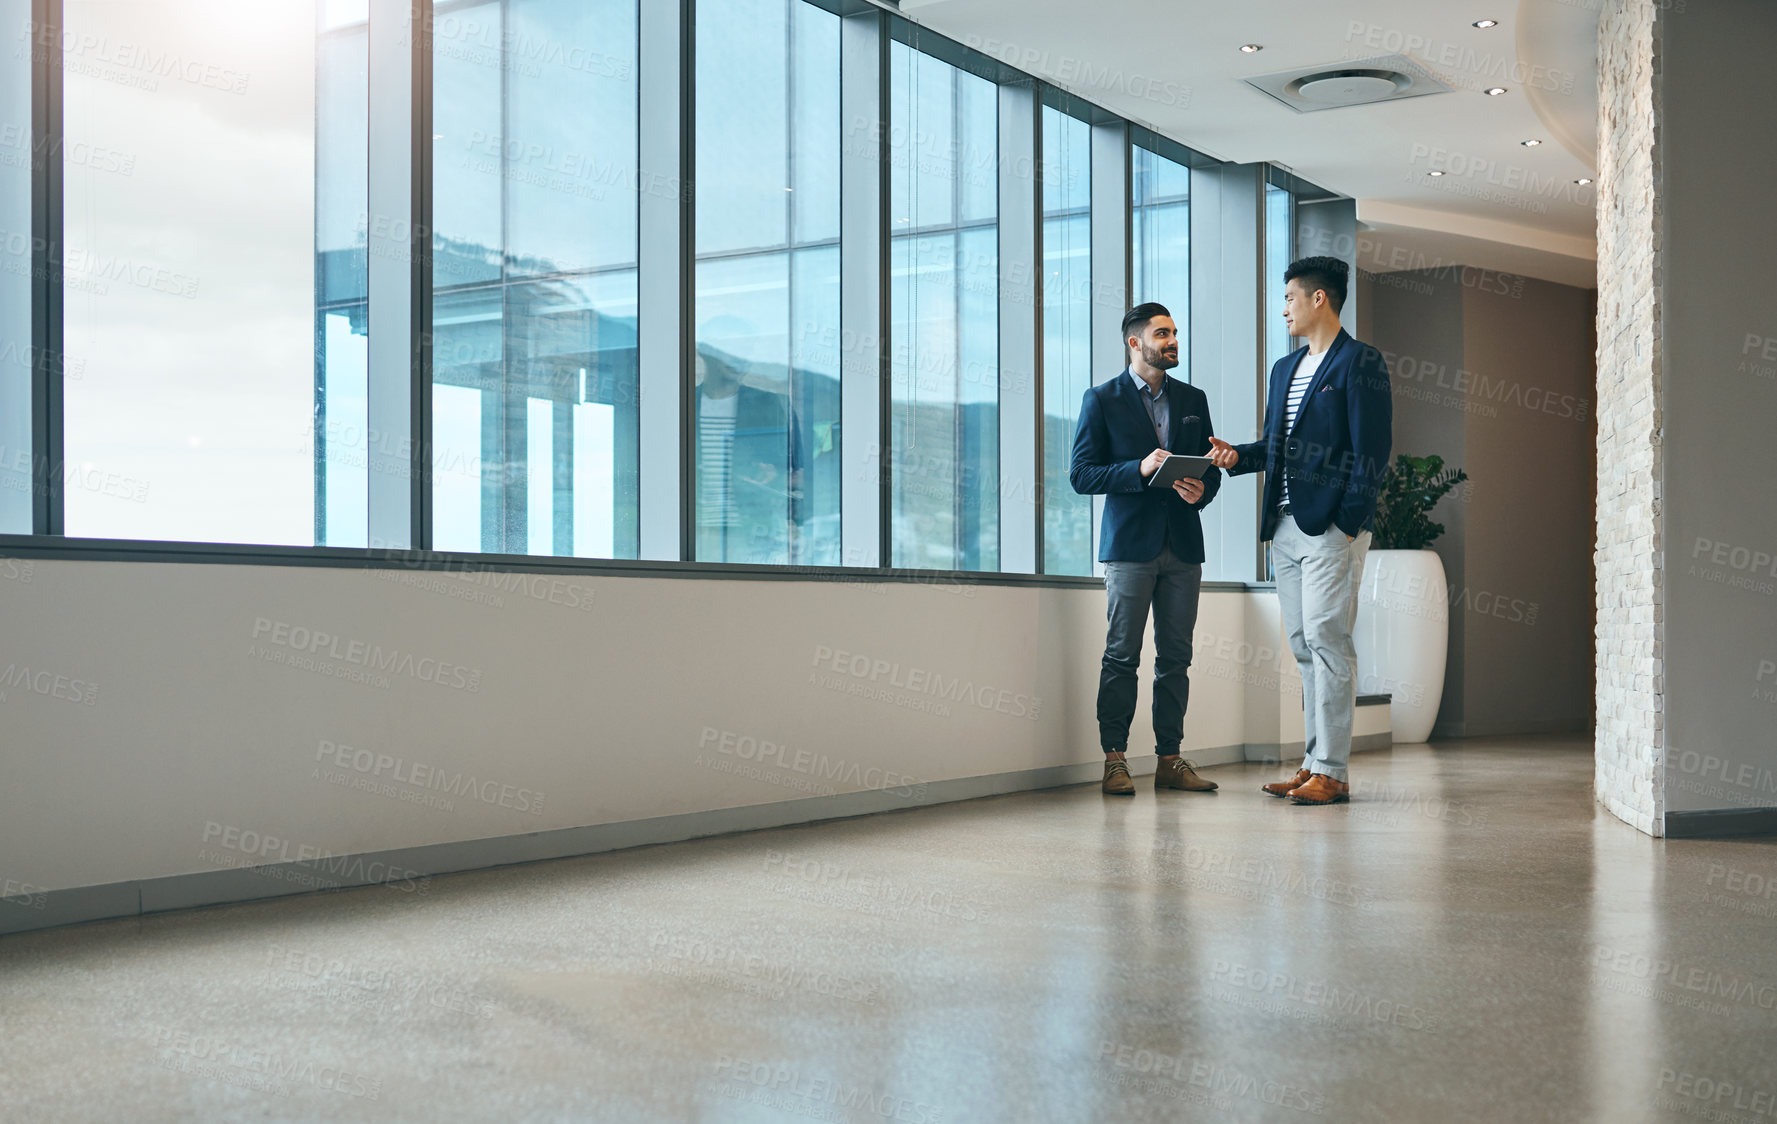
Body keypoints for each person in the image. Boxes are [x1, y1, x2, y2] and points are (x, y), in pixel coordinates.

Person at [1206, 257, 1392, 805]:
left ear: (1319, 299)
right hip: (1284, 527)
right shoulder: (1284, 370)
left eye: (1289, 296)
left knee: (1328, 641)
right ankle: (1314, 763)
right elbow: (1276, 446)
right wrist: (1236, 456)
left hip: (1330, 529)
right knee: (1303, 646)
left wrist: (1347, 522)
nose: (1283, 307)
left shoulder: (1361, 362)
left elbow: (1372, 453)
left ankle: (1333, 772)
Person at [1069, 303, 1222, 796]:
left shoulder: (1194, 398)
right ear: (1135, 343)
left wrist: (1204, 490)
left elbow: (1209, 470)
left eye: (1175, 332)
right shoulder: (1101, 399)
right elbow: (1081, 475)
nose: (1173, 340)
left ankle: (1169, 760)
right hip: (1130, 549)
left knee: (1175, 658)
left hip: (1183, 548)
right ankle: (1115, 760)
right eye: (1163, 333)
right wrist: (1137, 469)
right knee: (1121, 656)